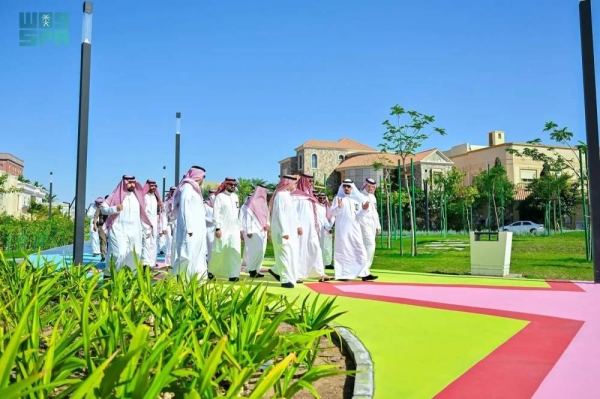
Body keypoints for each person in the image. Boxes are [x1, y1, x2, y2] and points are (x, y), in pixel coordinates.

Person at [102, 175, 152, 273]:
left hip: (135, 230)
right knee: (118, 253)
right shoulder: (114, 196)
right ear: (124, 183)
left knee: (135, 254)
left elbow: (142, 214)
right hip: (118, 229)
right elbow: (103, 210)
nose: (132, 184)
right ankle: (112, 274)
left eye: (133, 182)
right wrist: (114, 208)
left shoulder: (138, 197)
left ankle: (130, 276)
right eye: (129, 182)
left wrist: (146, 229)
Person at [330, 178, 377, 281]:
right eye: (345, 186)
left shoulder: (356, 200)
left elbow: (359, 216)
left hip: (355, 230)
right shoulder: (338, 198)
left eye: (348, 186)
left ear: (352, 188)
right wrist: (338, 207)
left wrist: (364, 210)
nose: (346, 188)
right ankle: (342, 275)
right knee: (343, 252)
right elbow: (332, 213)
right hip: (342, 230)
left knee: (361, 251)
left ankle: (364, 273)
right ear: (342, 187)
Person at [171, 166, 209, 280]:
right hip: (190, 230)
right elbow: (184, 209)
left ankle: (195, 279)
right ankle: (176, 280)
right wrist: (189, 228)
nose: (203, 180)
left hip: (197, 230)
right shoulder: (187, 188)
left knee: (197, 255)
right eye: (203, 177)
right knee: (186, 255)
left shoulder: (195, 189)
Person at [292, 174, 330, 282]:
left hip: (312, 228)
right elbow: (293, 213)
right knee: (300, 250)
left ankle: (319, 273)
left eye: (312, 181)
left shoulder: (310, 195)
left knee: (315, 248)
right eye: (309, 181)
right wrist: (297, 225)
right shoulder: (295, 196)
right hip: (300, 229)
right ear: (303, 182)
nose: (311, 183)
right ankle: (296, 274)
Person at [269, 175, 302, 288]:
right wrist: (284, 231)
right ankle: (285, 279)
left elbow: (293, 214)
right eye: (294, 183)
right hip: (282, 232)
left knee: (290, 254)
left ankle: (277, 271)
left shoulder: (289, 196)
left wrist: (298, 226)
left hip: (290, 231)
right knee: (284, 254)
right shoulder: (280, 195)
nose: (295, 185)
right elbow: (280, 214)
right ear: (288, 183)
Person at [208, 177, 243, 281]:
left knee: (235, 251)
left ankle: (234, 275)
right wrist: (218, 228)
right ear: (225, 185)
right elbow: (216, 213)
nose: (233, 186)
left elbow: (237, 214)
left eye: (234, 185)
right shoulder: (220, 197)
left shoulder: (236, 197)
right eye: (230, 184)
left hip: (234, 229)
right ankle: (212, 271)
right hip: (223, 228)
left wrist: (239, 229)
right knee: (219, 250)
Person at [242, 185, 270, 278]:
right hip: (253, 231)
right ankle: (251, 269)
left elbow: (267, 216)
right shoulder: (252, 203)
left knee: (262, 251)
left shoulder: (264, 203)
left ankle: (256, 269)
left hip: (263, 231)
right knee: (256, 251)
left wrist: (268, 224)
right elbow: (248, 218)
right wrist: (249, 230)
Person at [359, 178, 382, 272]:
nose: (371, 188)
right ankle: (365, 268)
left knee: (369, 245)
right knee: (370, 244)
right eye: (369, 186)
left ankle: (364, 267)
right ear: (365, 185)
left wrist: (378, 226)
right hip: (363, 222)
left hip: (372, 223)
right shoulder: (360, 196)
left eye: (373, 187)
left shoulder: (373, 197)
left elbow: (375, 212)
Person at [141, 179, 165, 267]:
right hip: (145, 222)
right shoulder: (143, 196)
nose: (153, 187)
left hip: (154, 222)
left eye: (155, 186)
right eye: (151, 186)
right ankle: (145, 263)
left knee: (153, 242)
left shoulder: (156, 197)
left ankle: (152, 262)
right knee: (146, 242)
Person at [316, 193, 335, 269]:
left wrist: (329, 227)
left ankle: (327, 263)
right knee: (320, 247)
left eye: (324, 198)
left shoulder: (328, 207)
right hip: (319, 230)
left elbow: (332, 217)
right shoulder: (316, 207)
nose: (322, 200)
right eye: (320, 198)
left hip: (327, 230)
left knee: (327, 248)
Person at [162, 186, 177, 266]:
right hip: (169, 223)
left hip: (177, 224)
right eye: (172, 191)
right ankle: (168, 264)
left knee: (176, 243)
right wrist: (163, 227)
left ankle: (175, 262)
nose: (173, 192)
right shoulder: (166, 203)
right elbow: (164, 215)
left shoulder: (179, 201)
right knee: (169, 243)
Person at [93, 195, 109, 261]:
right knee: (103, 241)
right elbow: (96, 216)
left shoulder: (113, 207)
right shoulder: (101, 207)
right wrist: (94, 224)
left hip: (110, 227)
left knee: (110, 242)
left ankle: (110, 256)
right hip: (101, 226)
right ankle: (103, 256)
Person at [204, 189, 217, 264]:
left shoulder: (217, 205)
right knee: (210, 246)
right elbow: (203, 216)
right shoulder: (205, 205)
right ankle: (209, 261)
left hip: (216, 228)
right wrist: (212, 220)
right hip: (208, 228)